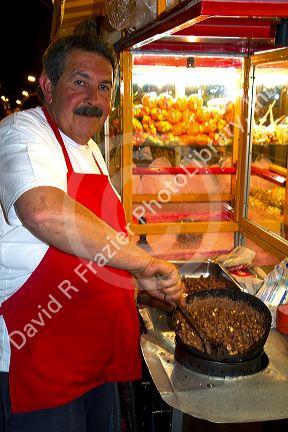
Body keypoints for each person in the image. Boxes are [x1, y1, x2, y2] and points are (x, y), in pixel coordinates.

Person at [0, 32, 183, 431]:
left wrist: (138, 275)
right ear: (48, 86)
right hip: (38, 361)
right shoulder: (21, 132)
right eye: (80, 82)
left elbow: (105, 240)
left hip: (92, 358)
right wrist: (146, 262)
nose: (93, 99)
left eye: (104, 88)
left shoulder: (94, 153)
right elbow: (45, 212)